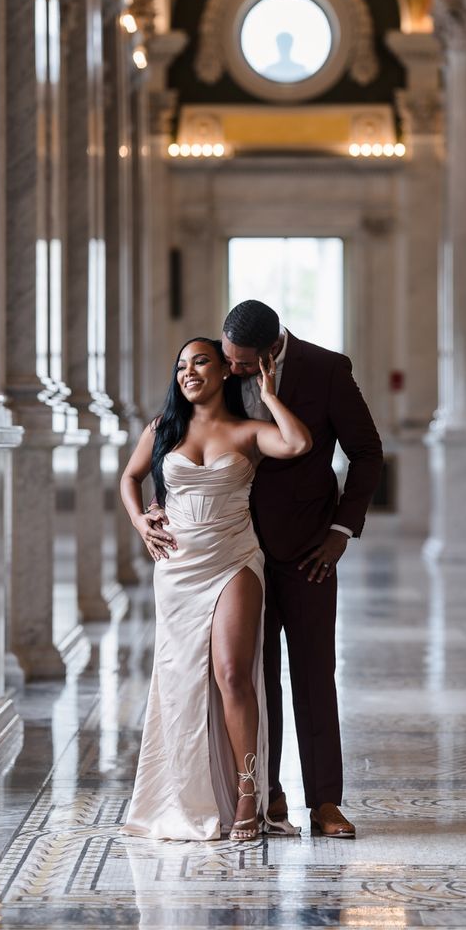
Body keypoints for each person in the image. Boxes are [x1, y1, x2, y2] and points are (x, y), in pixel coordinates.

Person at [119, 337, 312, 841]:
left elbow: (297, 444)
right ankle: (190, 793)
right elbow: (130, 477)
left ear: (226, 370)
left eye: (200, 361)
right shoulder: (163, 430)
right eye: (181, 364)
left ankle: (250, 791)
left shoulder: (250, 430)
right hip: (178, 569)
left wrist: (268, 394)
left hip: (234, 559)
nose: (188, 372)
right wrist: (141, 521)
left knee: (232, 672)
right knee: (181, 681)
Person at [221, 300, 383, 839]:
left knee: (314, 675)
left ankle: (325, 803)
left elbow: (366, 452)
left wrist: (340, 531)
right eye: (229, 358)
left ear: (272, 350)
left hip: (311, 549)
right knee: (251, 677)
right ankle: (266, 792)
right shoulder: (220, 364)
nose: (233, 369)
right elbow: (183, 433)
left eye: (244, 363)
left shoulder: (327, 369)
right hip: (236, 550)